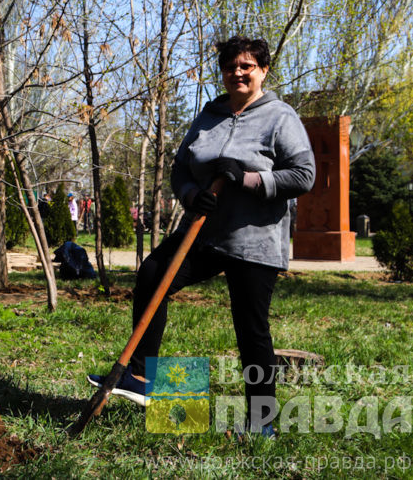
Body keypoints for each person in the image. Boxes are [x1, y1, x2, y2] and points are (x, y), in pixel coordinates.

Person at [87, 36, 315, 437]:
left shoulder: (280, 117)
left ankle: (262, 424)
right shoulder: (209, 115)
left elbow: (303, 175)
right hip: (204, 235)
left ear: (263, 71)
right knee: (152, 274)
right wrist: (192, 193)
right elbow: (180, 168)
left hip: (254, 242)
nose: (238, 73)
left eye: (247, 66)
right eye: (230, 67)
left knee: (251, 330)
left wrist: (246, 179)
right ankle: (140, 377)